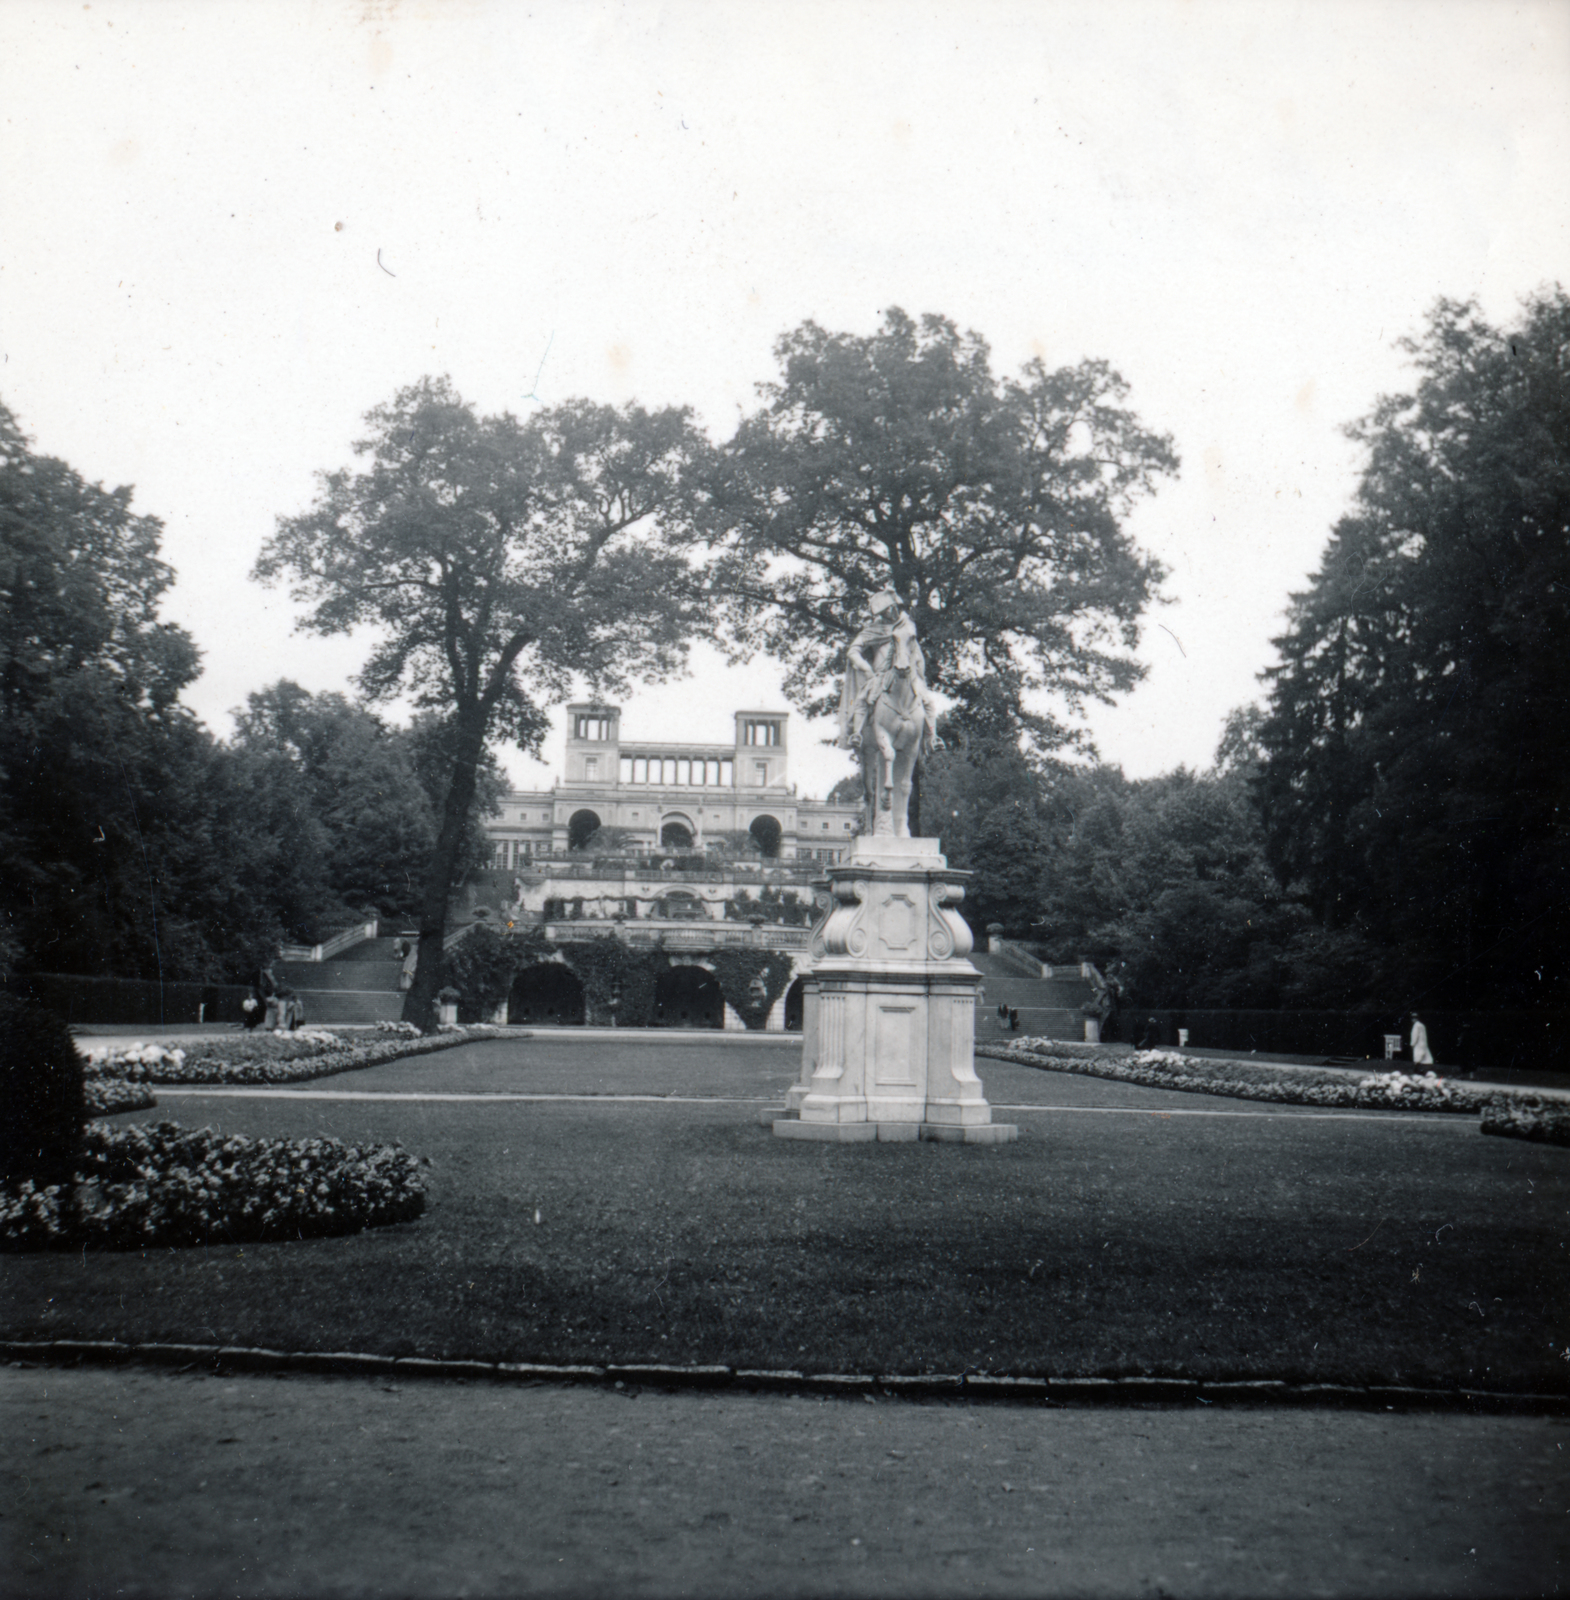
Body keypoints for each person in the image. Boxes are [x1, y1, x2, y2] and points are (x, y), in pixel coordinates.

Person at [837, 588, 939, 755]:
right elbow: (853, 650)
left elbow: (916, 652)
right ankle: (856, 734)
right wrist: (865, 667)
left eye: (886, 611)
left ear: (893, 607)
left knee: (927, 701)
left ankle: (932, 737)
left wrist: (918, 672)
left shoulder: (908, 626)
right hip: (882, 676)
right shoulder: (875, 628)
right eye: (882, 613)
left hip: (908, 675)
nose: (884, 615)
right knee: (863, 698)